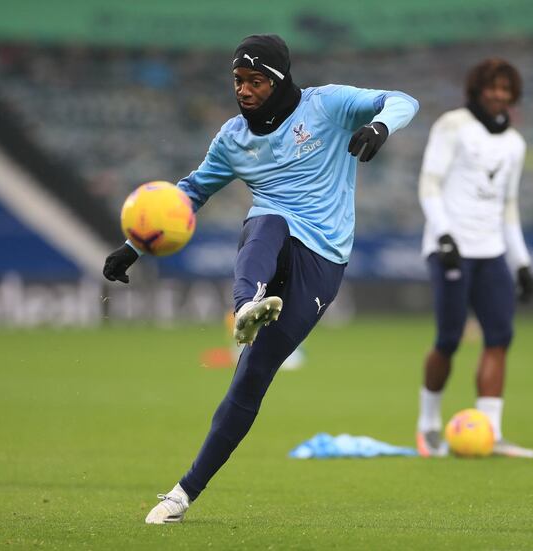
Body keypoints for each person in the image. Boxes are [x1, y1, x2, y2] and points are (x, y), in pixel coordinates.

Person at [103, 34, 418, 522]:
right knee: (265, 220)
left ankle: (185, 490)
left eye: (255, 81)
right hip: (274, 235)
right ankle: (246, 306)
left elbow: (403, 100)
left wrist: (379, 128)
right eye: (238, 81)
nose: (244, 91)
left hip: (325, 259)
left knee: (253, 378)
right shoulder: (232, 138)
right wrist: (134, 245)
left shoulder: (326, 106)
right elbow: (190, 193)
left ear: (278, 80)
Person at [415, 58, 533, 459]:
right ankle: (428, 425)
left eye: (506, 89)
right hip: (451, 248)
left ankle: (492, 432)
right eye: (492, 87)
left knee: (500, 338)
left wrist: (521, 261)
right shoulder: (453, 125)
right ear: (477, 89)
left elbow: (509, 206)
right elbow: (429, 183)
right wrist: (444, 235)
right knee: (448, 339)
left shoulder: (515, 144)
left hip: (491, 251)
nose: (499, 95)